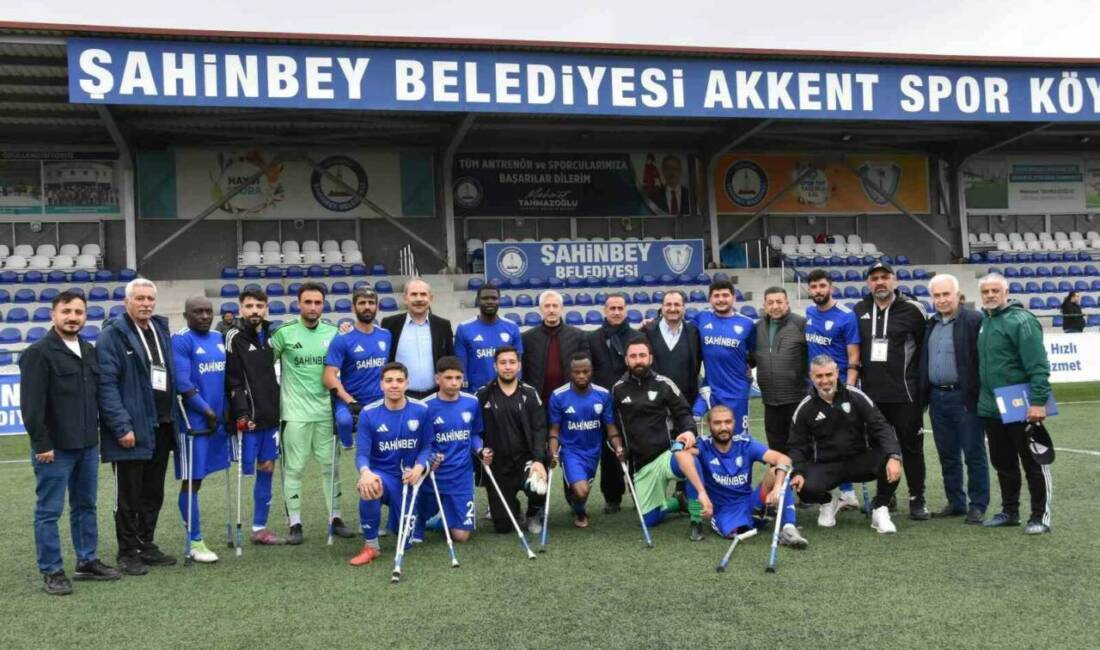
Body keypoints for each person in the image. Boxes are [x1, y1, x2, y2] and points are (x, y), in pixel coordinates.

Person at [21, 290, 120, 594]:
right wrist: (42, 445)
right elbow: (31, 407)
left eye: (78, 312)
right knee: (49, 512)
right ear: (53, 315)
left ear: (85, 316)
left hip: (87, 445)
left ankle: (86, 561)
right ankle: (51, 570)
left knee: (85, 506)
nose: (73, 317)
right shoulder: (39, 353)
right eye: (66, 311)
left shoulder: (88, 350)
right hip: (55, 449)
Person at [97, 278, 185, 575]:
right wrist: (121, 426)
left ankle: (146, 543)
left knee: (153, 491)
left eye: (150, 298)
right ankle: (127, 551)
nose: (146, 303)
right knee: (129, 494)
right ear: (127, 302)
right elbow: (106, 385)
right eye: (140, 298)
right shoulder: (112, 336)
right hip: (131, 428)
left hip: (161, 425)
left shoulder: (160, 329)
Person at [271, 282, 352, 545]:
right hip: (294, 414)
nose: (313, 307)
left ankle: (336, 518)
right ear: (298, 304)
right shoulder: (284, 334)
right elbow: (262, 367)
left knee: (332, 468)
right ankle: (294, 523)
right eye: (308, 302)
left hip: (326, 413)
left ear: (324, 304)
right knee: (293, 469)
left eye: (318, 302)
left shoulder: (334, 333)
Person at [788, 355, 904, 534]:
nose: (825, 380)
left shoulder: (855, 396)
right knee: (804, 487)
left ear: (837, 373)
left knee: (891, 462)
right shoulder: (805, 407)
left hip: (859, 460)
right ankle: (828, 501)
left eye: (829, 374)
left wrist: (894, 456)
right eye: (819, 376)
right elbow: (796, 445)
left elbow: (881, 426)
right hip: (826, 465)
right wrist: (797, 472)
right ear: (811, 377)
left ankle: (880, 509)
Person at [976, 273, 1053, 535]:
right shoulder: (985, 322)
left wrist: (1039, 401)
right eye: (985, 291)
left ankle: (1040, 516)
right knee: (1003, 463)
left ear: (1006, 292)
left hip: (1021, 405)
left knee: (1033, 463)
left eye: (995, 290)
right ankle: (1010, 511)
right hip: (991, 408)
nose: (990, 295)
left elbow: (1039, 365)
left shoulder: (1022, 320)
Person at [853, 261, 929, 521]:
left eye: (885, 277)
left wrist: (922, 392)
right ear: (868, 283)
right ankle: (886, 496)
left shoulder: (913, 310)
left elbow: (924, 352)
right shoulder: (860, 309)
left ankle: (917, 498)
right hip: (873, 397)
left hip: (906, 395)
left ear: (894, 280)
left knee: (912, 449)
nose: (880, 282)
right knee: (880, 449)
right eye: (874, 278)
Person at [608, 339, 704, 539]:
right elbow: (612, 427)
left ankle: (696, 520)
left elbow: (684, 414)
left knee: (691, 461)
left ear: (650, 358)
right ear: (626, 360)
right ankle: (678, 502)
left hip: (666, 455)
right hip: (641, 464)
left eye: (642, 355)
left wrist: (689, 432)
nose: (638, 360)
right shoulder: (617, 389)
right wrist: (617, 447)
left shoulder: (664, 384)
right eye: (633, 356)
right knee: (649, 520)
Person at [676, 404, 808, 547]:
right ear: (709, 425)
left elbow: (784, 459)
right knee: (736, 531)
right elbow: (679, 452)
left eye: (727, 422)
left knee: (778, 471)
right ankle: (762, 514)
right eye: (717, 423)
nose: (723, 428)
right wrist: (701, 492)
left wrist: (777, 487)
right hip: (725, 511)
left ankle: (789, 528)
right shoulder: (703, 445)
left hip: (750, 503)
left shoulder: (745, 443)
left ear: (734, 423)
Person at [918, 274, 989, 524]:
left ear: (957, 295)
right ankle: (956, 502)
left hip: (965, 397)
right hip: (938, 398)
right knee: (947, 454)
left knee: (974, 453)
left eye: (946, 294)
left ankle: (978, 505)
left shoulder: (973, 320)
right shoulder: (930, 324)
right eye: (936, 295)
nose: (941, 299)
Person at [349, 362, 434, 565]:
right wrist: (366, 472)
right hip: (383, 476)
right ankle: (371, 546)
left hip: (409, 479)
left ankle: (401, 521)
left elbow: (428, 446)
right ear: (381, 385)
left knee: (406, 542)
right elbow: (362, 454)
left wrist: (419, 468)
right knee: (370, 485)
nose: (394, 385)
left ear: (407, 384)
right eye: (389, 381)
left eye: (399, 380)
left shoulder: (421, 410)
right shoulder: (369, 413)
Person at [170, 296, 231, 563]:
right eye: (198, 312)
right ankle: (194, 542)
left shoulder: (219, 337)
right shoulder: (181, 339)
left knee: (201, 480)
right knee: (192, 481)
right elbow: (182, 382)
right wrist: (206, 410)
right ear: (186, 315)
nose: (204, 316)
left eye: (208, 311)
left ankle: (193, 539)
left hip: (217, 423)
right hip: (194, 424)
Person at [224, 289, 285, 545]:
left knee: (267, 467)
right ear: (241, 309)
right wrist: (241, 412)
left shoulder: (274, 335)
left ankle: (259, 528)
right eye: (249, 306)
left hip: (271, 415)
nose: (254, 311)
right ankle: (233, 527)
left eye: (259, 305)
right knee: (244, 471)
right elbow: (233, 380)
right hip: (247, 417)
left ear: (266, 308)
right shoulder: (233, 337)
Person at [804, 268, 863, 508]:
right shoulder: (808, 312)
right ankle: (826, 489)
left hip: (837, 388)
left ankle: (848, 493)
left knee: (840, 440)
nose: (818, 291)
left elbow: (854, 356)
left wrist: (848, 388)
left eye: (822, 286)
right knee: (818, 439)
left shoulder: (846, 316)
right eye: (814, 287)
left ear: (831, 287)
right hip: (814, 387)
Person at [476, 346, 549, 535]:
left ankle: (534, 513)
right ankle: (513, 507)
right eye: (503, 362)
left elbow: (540, 429)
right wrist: (481, 451)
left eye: (512, 362)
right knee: (503, 527)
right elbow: (475, 431)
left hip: (526, 460)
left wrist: (539, 460)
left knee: (538, 487)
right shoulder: (483, 394)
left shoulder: (530, 393)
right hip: (499, 465)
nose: (507, 367)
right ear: (495, 366)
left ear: (519, 366)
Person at [414, 356, 483, 542]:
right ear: (438, 379)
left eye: (458, 378)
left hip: (461, 474)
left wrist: (481, 450)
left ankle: (444, 516)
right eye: (449, 378)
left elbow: (475, 434)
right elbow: (421, 444)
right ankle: (424, 517)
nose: (454, 383)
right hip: (433, 475)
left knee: (461, 537)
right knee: (413, 533)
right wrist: (429, 460)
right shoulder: (424, 406)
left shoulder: (472, 402)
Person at [548, 353, 619, 528]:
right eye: (577, 372)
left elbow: (610, 427)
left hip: (594, 451)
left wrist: (619, 447)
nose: (581, 376)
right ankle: (580, 511)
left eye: (585, 371)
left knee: (583, 492)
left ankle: (577, 504)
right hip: (571, 451)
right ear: (570, 372)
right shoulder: (558, 396)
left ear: (592, 371)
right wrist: (553, 453)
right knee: (581, 490)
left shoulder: (603, 395)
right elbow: (554, 430)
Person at [586, 293, 638, 514]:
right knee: (609, 453)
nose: (616, 312)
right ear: (604, 311)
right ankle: (612, 497)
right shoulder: (592, 338)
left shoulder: (638, 337)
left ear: (625, 310)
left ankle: (639, 493)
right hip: (604, 404)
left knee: (637, 449)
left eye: (620, 308)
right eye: (612, 308)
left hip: (634, 401)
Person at [324, 287, 391, 448]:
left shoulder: (386, 335)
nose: (367, 306)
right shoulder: (342, 339)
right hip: (351, 400)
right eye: (362, 303)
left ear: (377, 307)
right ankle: (348, 445)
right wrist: (350, 401)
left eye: (371, 303)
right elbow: (328, 376)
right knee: (345, 421)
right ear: (353, 308)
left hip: (380, 400)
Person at [691, 278, 755, 435]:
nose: (721, 299)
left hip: (736, 392)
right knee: (695, 424)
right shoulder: (702, 318)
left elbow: (756, 352)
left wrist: (749, 366)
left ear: (733, 297)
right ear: (710, 298)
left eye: (725, 295)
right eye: (716, 295)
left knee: (738, 438)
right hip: (710, 389)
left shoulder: (747, 323)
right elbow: (680, 329)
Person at [749, 286, 807, 453]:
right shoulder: (758, 327)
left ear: (787, 304)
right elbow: (753, 356)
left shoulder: (800, 324)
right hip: (770, 402)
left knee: (799, 449)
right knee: (776, 450)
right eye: (771, 302)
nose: (775, 306)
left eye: (779, 302)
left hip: (796, 400)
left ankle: (799, 479)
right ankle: (780, 479)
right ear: (765, 306)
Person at [381, 279, 455, 400]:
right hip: (401, 397)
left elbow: (451, 359)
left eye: (423, 294)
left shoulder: (443, 325)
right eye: (414, 294)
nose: (419, 299)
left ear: (431, 299)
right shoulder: (390, 324)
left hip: (436, 396)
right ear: (405, 298)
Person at [521, 289, 589, 405]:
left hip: (570, 399)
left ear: (561, 308)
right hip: (538, 401)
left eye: (555, 306)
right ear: (541, 309)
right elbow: (524, 371)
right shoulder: (527, 338)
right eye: (547, 306)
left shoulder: (578, 336)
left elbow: (587, 369)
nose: (551, 310)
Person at [455, 285, 524, 392]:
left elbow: (518, 363)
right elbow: (461, 364)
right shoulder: (464, 328)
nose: (490, 301)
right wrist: (464, 390)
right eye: (485, 298)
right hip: (476, 392)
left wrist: (516, 388)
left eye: (494, 298)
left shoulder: (512, 327)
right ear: (478, 300)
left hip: (506, 392)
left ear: (499, 300)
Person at [642, 290, 702, 407]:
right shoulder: (646, 331)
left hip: (685, 403)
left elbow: (697, 364)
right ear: (662, 307)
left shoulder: (693, 333)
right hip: (652, 404)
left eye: (677, 305)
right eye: (668, 304)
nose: (672, 308)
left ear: (684, 308)